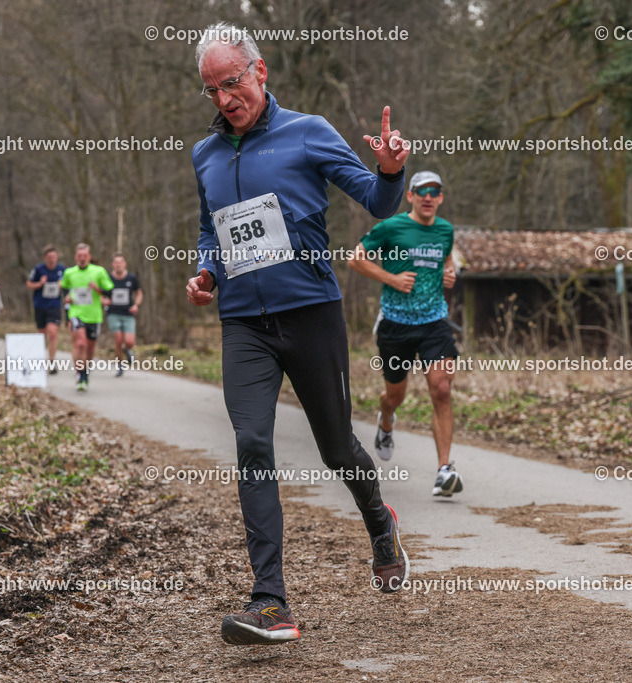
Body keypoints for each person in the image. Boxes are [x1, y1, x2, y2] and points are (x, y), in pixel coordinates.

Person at [185, 23, 410, 646]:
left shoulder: (308, 131)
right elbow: (212, 227)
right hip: (244, 325)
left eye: (233, 82)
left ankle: (379, 520)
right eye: (213, 89)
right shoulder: (205, 154)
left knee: (337, 449)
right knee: (252, 444)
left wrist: (390, 170)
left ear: (260, 72)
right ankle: (270, 601)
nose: (226, 98)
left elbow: (378, 201)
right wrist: (206, 269)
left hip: (311, 313)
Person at [348, 171, 463, 497]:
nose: (428, 197)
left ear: (440, 198)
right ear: (410, 196)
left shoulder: (445, 230)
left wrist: (449, 273)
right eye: (421, 191)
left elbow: (446, 262)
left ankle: (443, 470)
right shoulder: (392, 227)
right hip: (396, 324)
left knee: (441, 389)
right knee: (395, 396)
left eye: (434, 192)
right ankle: (386, 419)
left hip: (434, 322)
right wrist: (392, 278)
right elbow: (356, 259)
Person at [60, 243, 113, 391]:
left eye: (85, 255)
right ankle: (81, 374)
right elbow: (64, 287)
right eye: (79, 256)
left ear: (89, 257)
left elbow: (110, 291)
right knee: (81, 343)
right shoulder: (69, 273)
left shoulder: (99, 271)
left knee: (90, 348)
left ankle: (85, 371)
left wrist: (97, 289)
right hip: (76, 313)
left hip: (94, 315)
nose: (82, 258)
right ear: (75, 257)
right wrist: (67, 297)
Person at [27, 245, 66, 373]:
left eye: (54, 257)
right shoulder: (38, 269)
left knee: (53, 332)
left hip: (54, 305)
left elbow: (68, 285)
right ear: (45, 258)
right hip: (40, 306)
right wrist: (40, 283)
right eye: (49, 257)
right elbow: (29, 284)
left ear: (57, 257)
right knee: (42, 335)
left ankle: (52, 362)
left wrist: (63, 286)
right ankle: (39, 359)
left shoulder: (62, 270)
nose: (52, 260)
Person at [106, 253, 142, 377]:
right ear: (113, 265)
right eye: (116, 262)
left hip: (128, 314)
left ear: (125, 264)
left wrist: (136, 305)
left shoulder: (131, 278)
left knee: (129, 341)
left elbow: (139, 293)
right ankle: (120, 365)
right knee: (118, 340)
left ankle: (128, 350)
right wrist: (103, 300)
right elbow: (100, 294)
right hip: (113, 313)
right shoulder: (108, 278)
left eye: (120, 262)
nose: (118, 265)